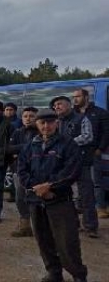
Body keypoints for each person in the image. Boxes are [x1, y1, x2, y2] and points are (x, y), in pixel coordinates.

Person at [17, 109, 88, 282]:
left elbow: (72, 171)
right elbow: (22, 170)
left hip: (60, 201)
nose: (46, 126)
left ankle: (78, 276)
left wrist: (50, 187)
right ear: (37, 124)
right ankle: (54, 273)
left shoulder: (68, 144)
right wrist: (37, 188)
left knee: (67, 243)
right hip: (35, 201)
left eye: (50, 122)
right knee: (43, 241)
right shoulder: (30, 145)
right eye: (42, 123)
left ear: (57, 123)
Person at [51, 95, 97, 238]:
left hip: (82, 162)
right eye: (55, 105)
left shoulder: (81, 118)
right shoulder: (56, 122)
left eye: (60, 104)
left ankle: (90, 227)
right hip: (64, 164)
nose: (57, 107)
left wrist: (67, 143)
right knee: (65, 195)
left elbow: (88, 136)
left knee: (86, 195)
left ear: (69, 105)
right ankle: (72, 225)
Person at [72, 88, 109, 219]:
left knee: (96, 181)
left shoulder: (99, 112)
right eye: (73, 97)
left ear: (86, 97)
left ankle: (101, 207)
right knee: (78, 181)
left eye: (78, 96)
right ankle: (80, 206)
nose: (75, 99)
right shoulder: (72, 113)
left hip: (93, 152)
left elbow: (106, 132)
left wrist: (100, 148)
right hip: (75, 152)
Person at [7, 107, 39, 238]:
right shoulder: (17, 132)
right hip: (20, 171)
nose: (28, 118)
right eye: (25, 116)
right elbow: (8, 149)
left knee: (37, 199)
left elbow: (38, 148)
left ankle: (39, 228)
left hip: (38, 172)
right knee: (20, 198)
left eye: (31, 116)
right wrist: (26, 147)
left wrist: (19, 151)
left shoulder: (42, 132)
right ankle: (25, 226)